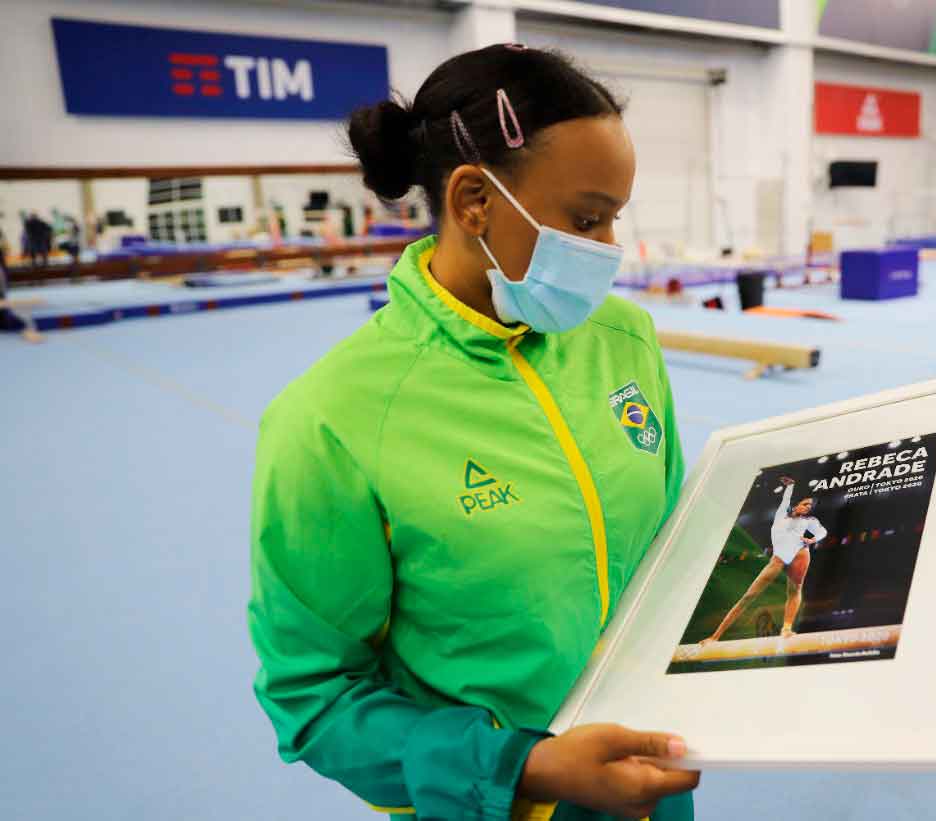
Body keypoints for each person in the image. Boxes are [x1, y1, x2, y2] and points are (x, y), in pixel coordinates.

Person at [247, 44, 699, 821]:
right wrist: (525, 766)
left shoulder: (622, 339)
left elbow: (671, 550)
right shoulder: (332, 418)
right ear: (472, 201)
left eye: (616, 219)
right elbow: (315, 699)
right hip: (485, 801)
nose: (609, 250)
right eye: (587, 218)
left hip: (647, 792)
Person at [701, 476, 827, 644]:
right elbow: (786, 499)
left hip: (800, 553)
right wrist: (790, 486)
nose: (808, 508)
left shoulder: (809, 521)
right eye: (805, 504)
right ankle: (715, 636)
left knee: (794, 591)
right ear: (796, 504)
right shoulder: (782, 514)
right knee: (749, 596)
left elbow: (822, 532)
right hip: (779, 558)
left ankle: (786, 629)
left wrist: (812, 540)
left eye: (810, 506)